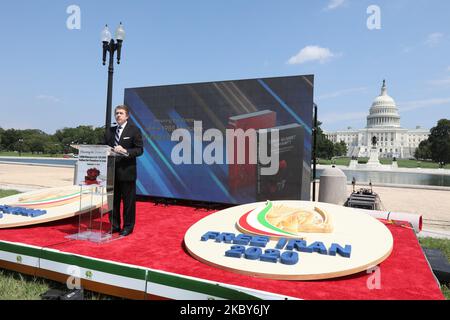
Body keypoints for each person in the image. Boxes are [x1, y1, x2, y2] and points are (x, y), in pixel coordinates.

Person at [104, 105, 143, 236]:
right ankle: (114, 226)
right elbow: (103, 146)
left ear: (127, 116)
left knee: (128, 202)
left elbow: (139, 150)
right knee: (112, 202)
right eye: (116, 113)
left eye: (121, 113)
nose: (118, 115)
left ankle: (128, 227)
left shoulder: (134, 130)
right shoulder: (110, 131)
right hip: (111, 172)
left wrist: (125, 151)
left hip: (127, 172)